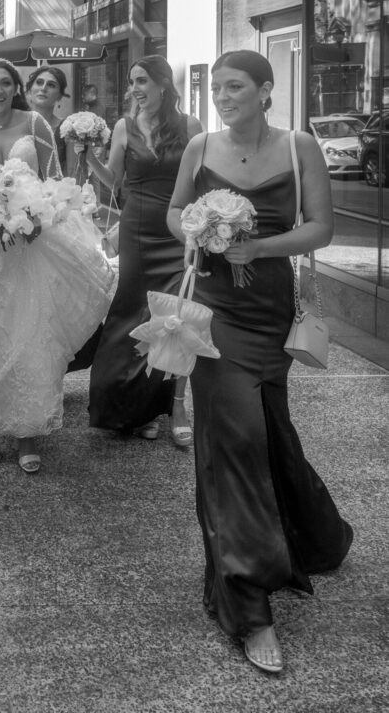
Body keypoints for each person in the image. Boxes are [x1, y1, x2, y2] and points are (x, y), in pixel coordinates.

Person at [167, 49, 353, 674]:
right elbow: (173, 212)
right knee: (233, 439)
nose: (223, 98)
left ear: (266, 90)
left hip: (271, 308)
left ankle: (313, 533)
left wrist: (260, 245)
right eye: (217, 88)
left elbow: (321, 228)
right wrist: (200, 230)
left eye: (236, 87)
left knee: (268, 426)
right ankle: (247, 604)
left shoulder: (300, 147)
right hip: (214, 309)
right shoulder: (200, 148)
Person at [0, 57, 115, 474]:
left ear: (15, 88)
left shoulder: (35, 124)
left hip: (31, 244)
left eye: (6, 83)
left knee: (30, 335)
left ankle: (28, 432)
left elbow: (52, 179)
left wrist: (39, 215)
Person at [75, 56, 202, 443]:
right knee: (133, 313)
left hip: (177, 232)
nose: (135, 89)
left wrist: (203, 228)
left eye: (142, 80)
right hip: (137, 230)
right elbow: (114, 180)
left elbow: (201, 181)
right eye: (132, 82)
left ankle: (176, 406)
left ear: (164, 84)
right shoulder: (124, 126)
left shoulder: (191, 126)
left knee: (175, 317)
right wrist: (88, 156)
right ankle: (134, 408)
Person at [25, 65, 72, 175]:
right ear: (30, 90)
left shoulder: (67, 129)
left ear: (60, 96)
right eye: (39, 82)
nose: (43, 88)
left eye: (51, 85)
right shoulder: (13, 123)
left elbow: (72, 173)